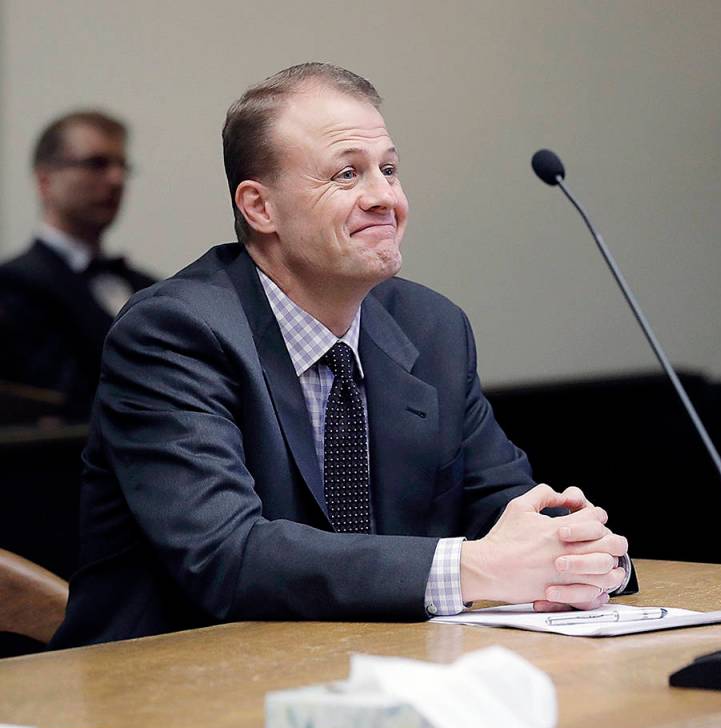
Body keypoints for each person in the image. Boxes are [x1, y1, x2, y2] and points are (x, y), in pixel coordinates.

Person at [51, 63, 634, 648]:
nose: (385, 198)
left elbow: (504, 507)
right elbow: (225, 557)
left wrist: (577, 551)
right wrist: (475, 569)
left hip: (373, 679)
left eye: (389, 169)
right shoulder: (174, 332)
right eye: (347, 174)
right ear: (260, 208)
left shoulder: (432, 329)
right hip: (167, 693)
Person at [0, 111, 156, 421]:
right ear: (45, 180)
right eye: (96, 164)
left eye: (121, 165)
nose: (116, 179)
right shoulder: (12, 285)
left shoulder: (151, 287)